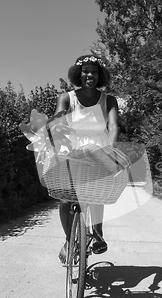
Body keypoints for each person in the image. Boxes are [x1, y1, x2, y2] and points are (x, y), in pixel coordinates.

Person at [55, 54, 120, 263]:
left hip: (98, 152)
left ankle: (98, 233)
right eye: (85, 71)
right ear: (78, 74)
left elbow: (113, 126)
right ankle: (68, 240)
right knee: (65, 200)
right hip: (71, 152)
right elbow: (58, 120)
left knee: (96, 195)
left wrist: (111, 150)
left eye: (94, 71)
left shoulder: (108, 100)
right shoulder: (67, 98)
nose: (89, 74)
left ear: (99, 75)